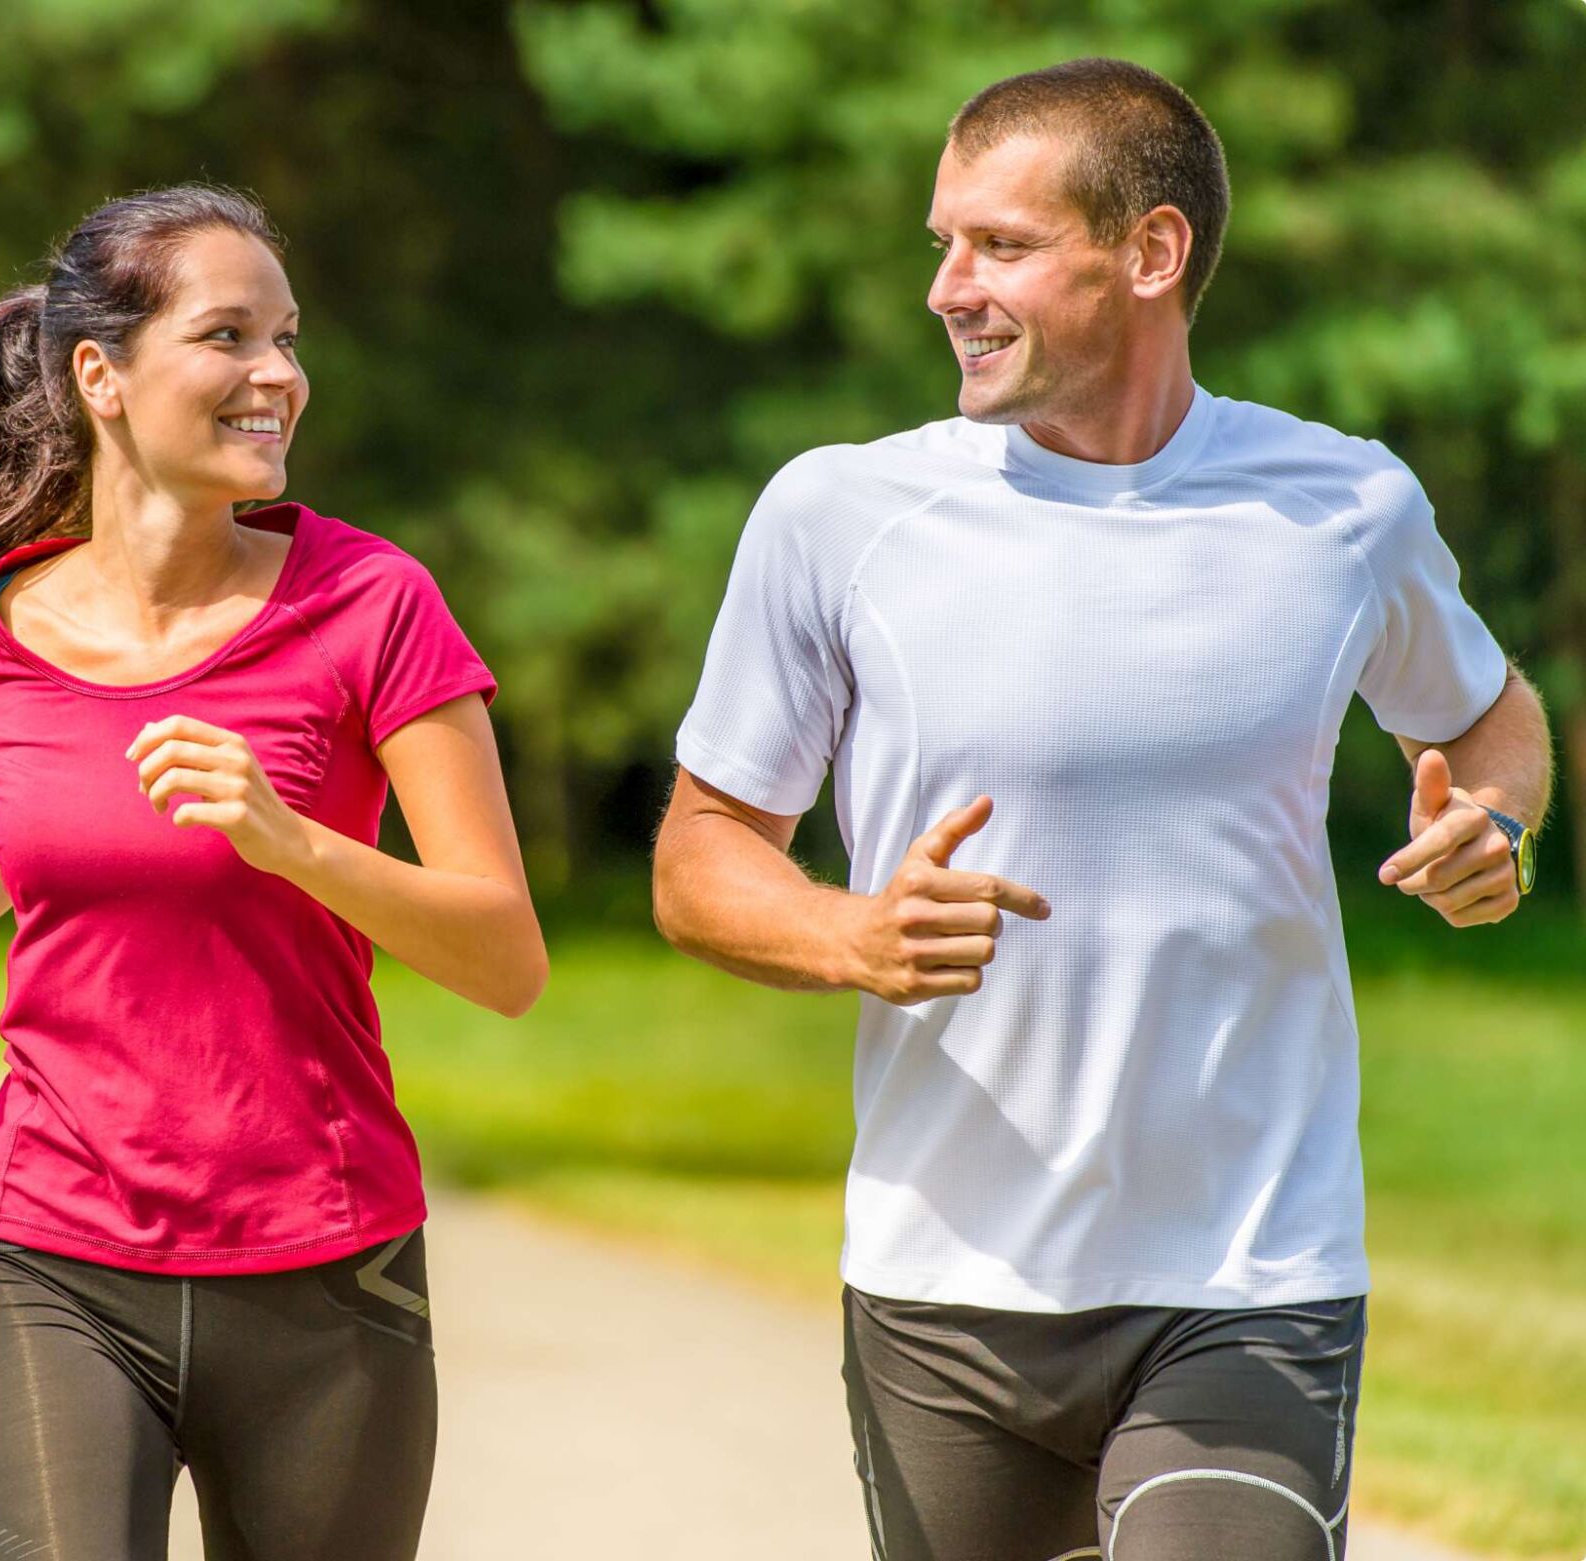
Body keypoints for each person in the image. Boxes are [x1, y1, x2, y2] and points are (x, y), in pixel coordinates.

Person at [653, 58, 1552, 1561]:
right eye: (943, 243)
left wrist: (1501, 826)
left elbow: (1484, 713)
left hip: (1249, 1274)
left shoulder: (1339, 506)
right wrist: (850, 933)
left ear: (1150, 254)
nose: (949, 287)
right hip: (946, 1284)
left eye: (998, 246)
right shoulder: (839, 516)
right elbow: (699, 855)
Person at [0, 183, 546, 1561]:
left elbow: (505, 956)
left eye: (287, 338)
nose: (280, 374)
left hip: (325, 1270)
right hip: (51, 1254)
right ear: (101, 374)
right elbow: (16, 788)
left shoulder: (371, 603)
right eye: (231, 336)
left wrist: (290, 838)